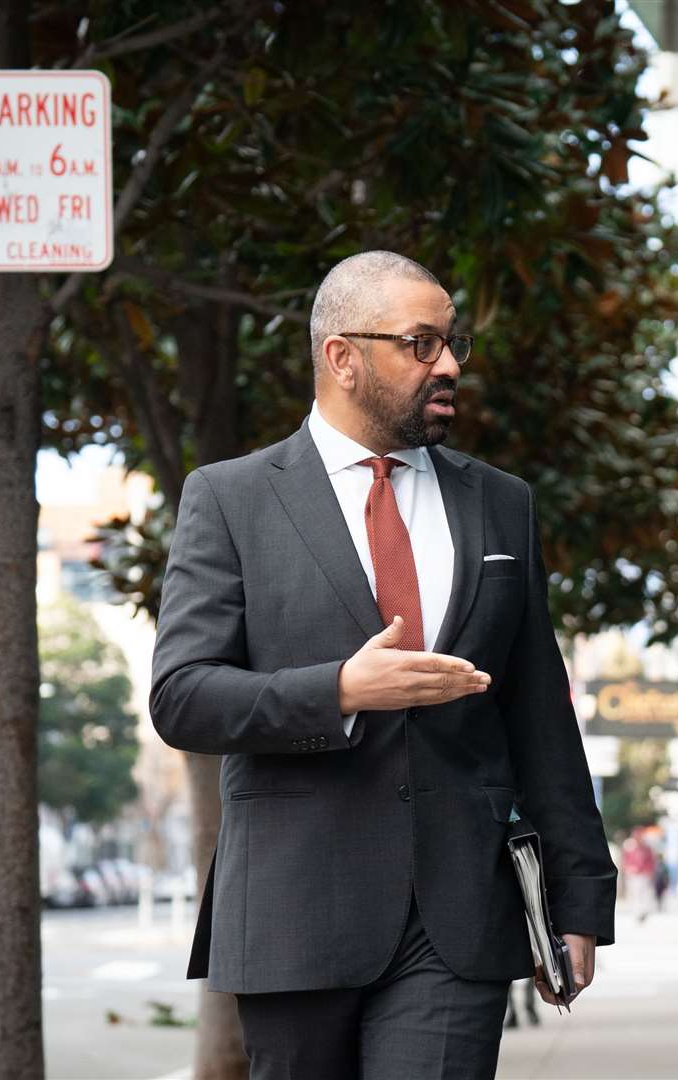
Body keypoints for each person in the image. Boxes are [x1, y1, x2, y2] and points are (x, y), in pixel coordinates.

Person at [149, 251, 616, 1080]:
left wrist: (578, 899)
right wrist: (337, 691)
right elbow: (184, 698)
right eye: (421, 343)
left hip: (458, 915)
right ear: (343, 356)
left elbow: (541, 714)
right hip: (293, 915)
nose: (449, 366)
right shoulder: (230, 498)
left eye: (452, 344)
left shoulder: (500, 502)